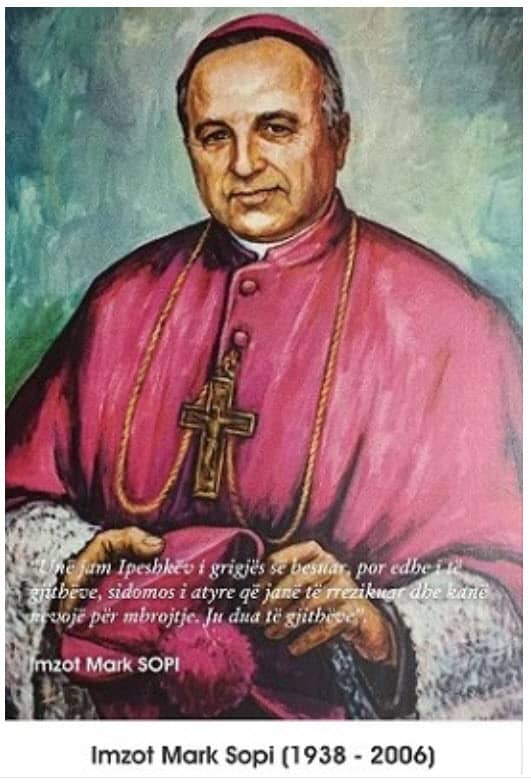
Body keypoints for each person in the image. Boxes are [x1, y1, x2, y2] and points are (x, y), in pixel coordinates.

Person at [6, 13, 522, 720]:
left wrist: (383, 628)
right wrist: (67, 560)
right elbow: (14, 505)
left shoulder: (453, 323)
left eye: (275, 128)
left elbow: (508, 588)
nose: (244, 164)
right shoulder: (121, 301)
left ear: (338, 138)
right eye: (214, 135)